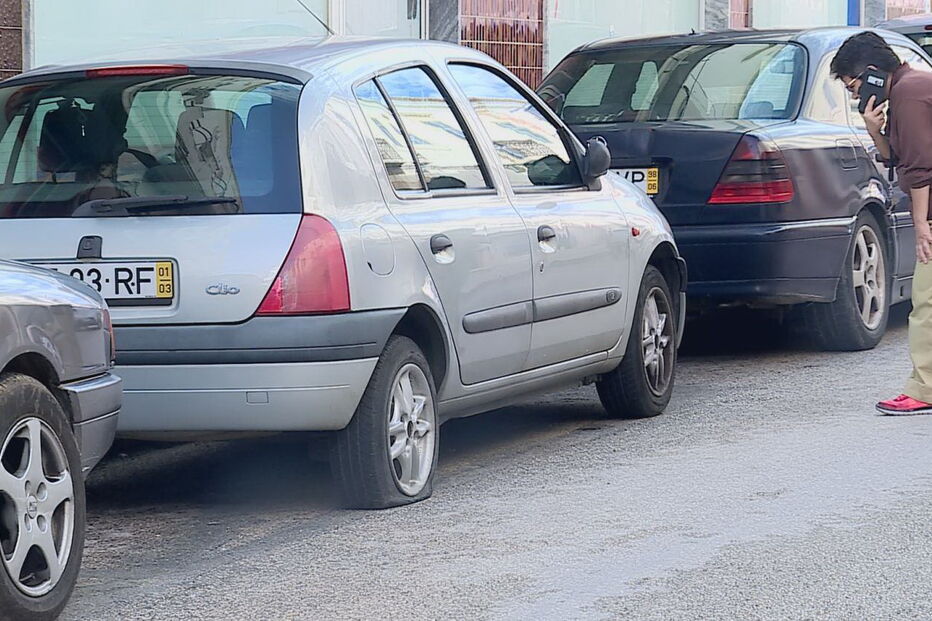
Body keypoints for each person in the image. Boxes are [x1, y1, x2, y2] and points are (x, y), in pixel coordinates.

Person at [832, 31, 932, 415]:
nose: (856, 96)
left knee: (925, 304)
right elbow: (899, 157)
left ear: (873, 73)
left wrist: (921, 225)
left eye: (853, 86)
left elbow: (921, 168)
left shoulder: (909, 95)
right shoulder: (911, 88)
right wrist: (874, 127)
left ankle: (924, 389)